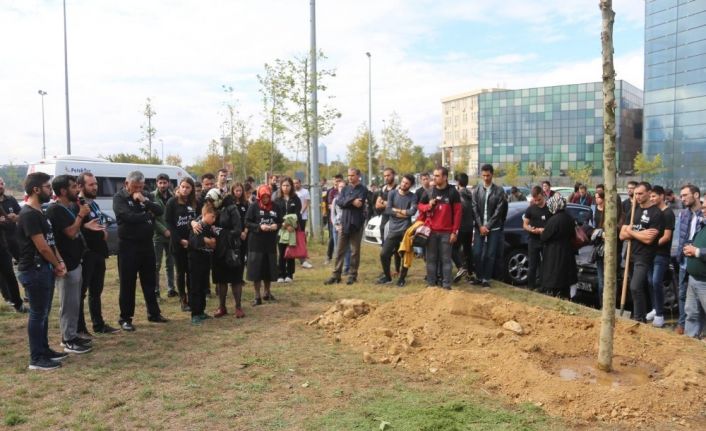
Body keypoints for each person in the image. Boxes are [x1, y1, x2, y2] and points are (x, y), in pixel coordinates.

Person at [17, 172, 69, 370]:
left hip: (44, 269)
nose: (51, 190)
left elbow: (50, 242)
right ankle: (36, 358)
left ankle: (44, 350)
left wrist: (59, 262)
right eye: (47, 187)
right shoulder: (29, 214)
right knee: (38, 314)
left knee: (44, 313)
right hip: (34, 270)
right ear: (36, 189)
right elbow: (42, 247)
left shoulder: (40, 212)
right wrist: (56, 264)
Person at [113, 171, 168, 332]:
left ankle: (154, 313)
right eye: (134, 186)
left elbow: (159, 211)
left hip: (146, 245)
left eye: (140, 187)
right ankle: (125, 318)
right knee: (127, 282)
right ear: (126, 183)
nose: (137, 189)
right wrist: (146, 215)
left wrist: (145, 201)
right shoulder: (119, 198)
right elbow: (128, 217)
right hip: (128, 246)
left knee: (149, 280)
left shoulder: (145, 195)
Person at [45, 175, 93, 354]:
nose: (77, 190)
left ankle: (72, 334)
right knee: (68, 303)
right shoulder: (55, 210)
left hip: (75, 261)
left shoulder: (68, 208)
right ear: (63, 191)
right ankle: (67, 339)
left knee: (74, 302)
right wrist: (81, 215)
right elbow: (71, 233)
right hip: (66, 265)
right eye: (73, 187)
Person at [76, 172, 118, 335]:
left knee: (96, 291)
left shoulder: (94, 204)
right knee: (81, 293)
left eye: (96, 184)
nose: (95, 187)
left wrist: (103, 230)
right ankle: (80, 328)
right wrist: (84, 227)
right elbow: (70, 228)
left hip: (99, 253)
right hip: (86, 254)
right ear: (80, 186)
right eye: (91, 184)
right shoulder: (77, 204)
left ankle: (98, 324)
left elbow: (99, 223)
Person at [619, 182, 663, 322]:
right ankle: (639, 315)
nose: (637, 196)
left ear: (649, 193)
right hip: (630, 255)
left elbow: (649, 239)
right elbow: (621, 235)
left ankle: (639, 318)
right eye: (635, 193)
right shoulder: (633, 211)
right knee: (635, 289)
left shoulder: (656, 214)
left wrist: (631, 231)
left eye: (640, 193)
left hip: (644, 256)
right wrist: (639, 233)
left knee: (635, 286)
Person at [418, 167, 461, 290]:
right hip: (431, 232)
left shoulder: (453, 192)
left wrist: (454, 232)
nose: (434, 178)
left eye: (437, 176)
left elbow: (458, 214)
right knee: (431, 259)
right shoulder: (429, 192)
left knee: (446, 260)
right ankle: (431, 285)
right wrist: (428, 206)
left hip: (447, 233)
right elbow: (420, 206)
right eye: (434, 175)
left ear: (445, 177)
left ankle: (446, 285)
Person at [325, 168, 368, 285]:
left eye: (352, 175)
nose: (350, 177)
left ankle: (352, 275)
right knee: (339, 250)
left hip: (356, 223)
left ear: (358, 176)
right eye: (348, 175)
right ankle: (336, 275)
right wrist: (352, 201)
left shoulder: (363, 189)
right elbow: (339, 202)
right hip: (344, 223)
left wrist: (347, 201)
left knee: (355, 251)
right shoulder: (345, 188)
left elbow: (359, 204)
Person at [471, 164, 508, 288]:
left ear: (492, 174)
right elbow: (474, 208)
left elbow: (499, 211)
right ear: (481, 175)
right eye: (484, 175)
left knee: (490, 254)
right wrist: (481, 226)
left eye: (488, 175)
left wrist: (488, 226)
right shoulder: (476, 190)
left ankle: (486, 278)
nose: (486, 178)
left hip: (494, 228)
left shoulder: (499, 191)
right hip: (479, 227)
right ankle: (479, 276)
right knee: (476, 253)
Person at [377, 174, 417, 285]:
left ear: (411, 185)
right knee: (384, 254)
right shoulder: (392, 193)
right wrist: (402, 212)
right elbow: (388, 210)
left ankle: (402, 279)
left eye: (407, 183)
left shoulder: (412, 197)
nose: (404, 184)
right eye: (403, 182)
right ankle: (387, 277)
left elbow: (412, 212)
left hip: (405, 231)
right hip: (393, 230)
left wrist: (398, 211)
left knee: (405, 255)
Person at [165, 177, 197, 312]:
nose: (184, 189)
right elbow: (169, 223)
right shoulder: (172, 202)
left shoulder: (194, 202)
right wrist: (179, 240)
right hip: (178, 243)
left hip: (192, 242)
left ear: (191, 189)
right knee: (180, 272)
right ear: (179, 187)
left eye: (188, 187)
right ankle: (183, 300)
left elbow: (198, 219)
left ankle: (192, 298)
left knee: (191, 271)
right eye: (183, 186)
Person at [245, 185, 281, 305]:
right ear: (260, 196)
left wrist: (277, 225)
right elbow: (247, 222)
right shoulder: (253, 206)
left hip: (270, 243)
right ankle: (257, 296)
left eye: (268, 197)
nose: (266, 199)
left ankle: (267, 292)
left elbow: (280, 221)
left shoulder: (275, 206)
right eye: (263, 197)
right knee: (256, 269)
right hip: (256, 243)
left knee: (268, 268)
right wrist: (259, 227)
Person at [676, 184, 703, 335]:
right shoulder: (684, 214)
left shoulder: (703, 214)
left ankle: (700, 329)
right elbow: (681, 237)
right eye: (681, 196)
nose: (682, 198)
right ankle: (682, 325)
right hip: (684, 261)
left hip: (699, 260)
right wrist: (679, 255)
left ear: (696, 195)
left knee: (699, 296)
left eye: (685, 195)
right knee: (682, 294)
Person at [645, 186, 674, 328]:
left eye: (654, 196)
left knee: (656, 281)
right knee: (650, 281)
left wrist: (652, 245)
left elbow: (667, 237)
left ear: (662, 196)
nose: (651, 199)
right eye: (650, 197)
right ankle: (655, 308)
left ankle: (660, 314)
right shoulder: (653, 212)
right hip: (651, 253)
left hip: (661, 254)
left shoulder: (668, 213)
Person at [540, 195, 578, 299]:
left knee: (555, 276)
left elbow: (544, 237)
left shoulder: (553, 220)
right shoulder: (569, 218)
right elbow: (572, 235)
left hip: (554, 252)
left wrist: (541, 232)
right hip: (567, 251)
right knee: (564, 278)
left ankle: (554, 294)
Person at [188, 202, 219, 325]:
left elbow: (214, 241)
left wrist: (210, 241)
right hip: (195, 260)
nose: (214, 219)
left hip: (206, 259)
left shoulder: (209, 227)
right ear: (204, 214)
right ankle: (195, 313)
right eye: (212, 217)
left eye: (215, 217)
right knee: (195, 287)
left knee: (203, 286)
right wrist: (206, 240)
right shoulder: (198, 225)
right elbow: (194, 241)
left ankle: (201, 311)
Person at [682, 198, 706, 338]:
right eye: (703, 206)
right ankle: (690, 344)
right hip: (694, 279)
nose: (703, 209)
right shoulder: (703, 225)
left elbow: (700, 250)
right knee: (691, 313)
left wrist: (696, 251)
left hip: (704, 281)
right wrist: (689, 247)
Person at [151, 173, 176, 299]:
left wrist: (171, 231)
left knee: (170, 263)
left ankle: (171, 288)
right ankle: (155, 290)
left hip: (171, 235)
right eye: (160, 183)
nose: (162, 185)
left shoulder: (173, 196)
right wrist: (164, 230)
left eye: (164, 183)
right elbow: (152, 218)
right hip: (158, 236)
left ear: (168, 183)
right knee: (156, 264)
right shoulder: (151, 196)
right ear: (157, 183)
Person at [523, 186, 551, 291]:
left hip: (545, 240)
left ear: (543, 195)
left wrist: (544, 230)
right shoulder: (530, 209)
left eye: (539, 199)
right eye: (535, 200)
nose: (537, 202)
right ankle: (531, 286)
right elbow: (525, 224)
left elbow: (553, 225)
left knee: (546, 264)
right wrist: (530, 229)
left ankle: (544, 286)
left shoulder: (549, 209)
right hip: (533, 239)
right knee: (532, 264)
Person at [274, 178, 301, 283]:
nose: (286, 188)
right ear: (281, 187)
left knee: (290, 252)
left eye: (288, 185)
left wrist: (291, 225)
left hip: (291, 230)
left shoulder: (295, 199)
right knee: (281, 252)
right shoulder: (277, 200)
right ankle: (281, 274)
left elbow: (297, 214)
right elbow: (276, 214)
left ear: (291, 187)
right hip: (281, 229)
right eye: (284, 185)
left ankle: (289, 274)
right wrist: (283, 224)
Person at [0, 203, 25, 312]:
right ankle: (8, 299)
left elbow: (8, 223)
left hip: (2, 248)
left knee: (10, 275)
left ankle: (18, 305)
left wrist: (3, 221)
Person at [452, 173, 474, 283]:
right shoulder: (471, 194)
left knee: (453, 248)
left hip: (460, 226)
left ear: (457, 182)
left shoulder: (458, 195)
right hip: (470, 227)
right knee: (467, 250)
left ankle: (461, 267)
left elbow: (458, 211)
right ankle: (470, 274)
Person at [331, 178, 351, 275]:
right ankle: (338, 267)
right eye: (340, 187)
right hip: (337, 226)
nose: (341, 188)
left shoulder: (350, 199)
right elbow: (332, 215)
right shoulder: (335, 199)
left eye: (343, 187)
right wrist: (336, 225)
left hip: (346, 225)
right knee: (337, 248)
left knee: (347, 248)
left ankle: (347, 267)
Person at [293, 178, 313, 269]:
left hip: (302, 217)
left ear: (300, 183)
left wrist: (300, 213)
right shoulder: (292, 192)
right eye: (294, 183)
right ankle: (291, 256)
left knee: (300, 237)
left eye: (297, 183)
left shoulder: (305, 191)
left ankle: (302, 258)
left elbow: (306, 203)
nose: (295, 185)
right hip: (292, 218)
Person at [0, 177, 22, 260]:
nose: (0, 186)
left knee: (23, 262)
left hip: (14, 238)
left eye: (2, 184)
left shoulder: (11, 199)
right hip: (1, 242)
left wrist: (16, 217)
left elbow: (21, 215)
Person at [324, 174, 344, 265]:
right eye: (336, 180)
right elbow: (329, 204)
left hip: (343, 219)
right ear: (333, 181)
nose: (337, 182)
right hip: (333, 218)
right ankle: (329, 256)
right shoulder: (330, 191)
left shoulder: (345, 190)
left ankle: (343, 257)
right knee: (332, 238)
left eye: (339, 180)